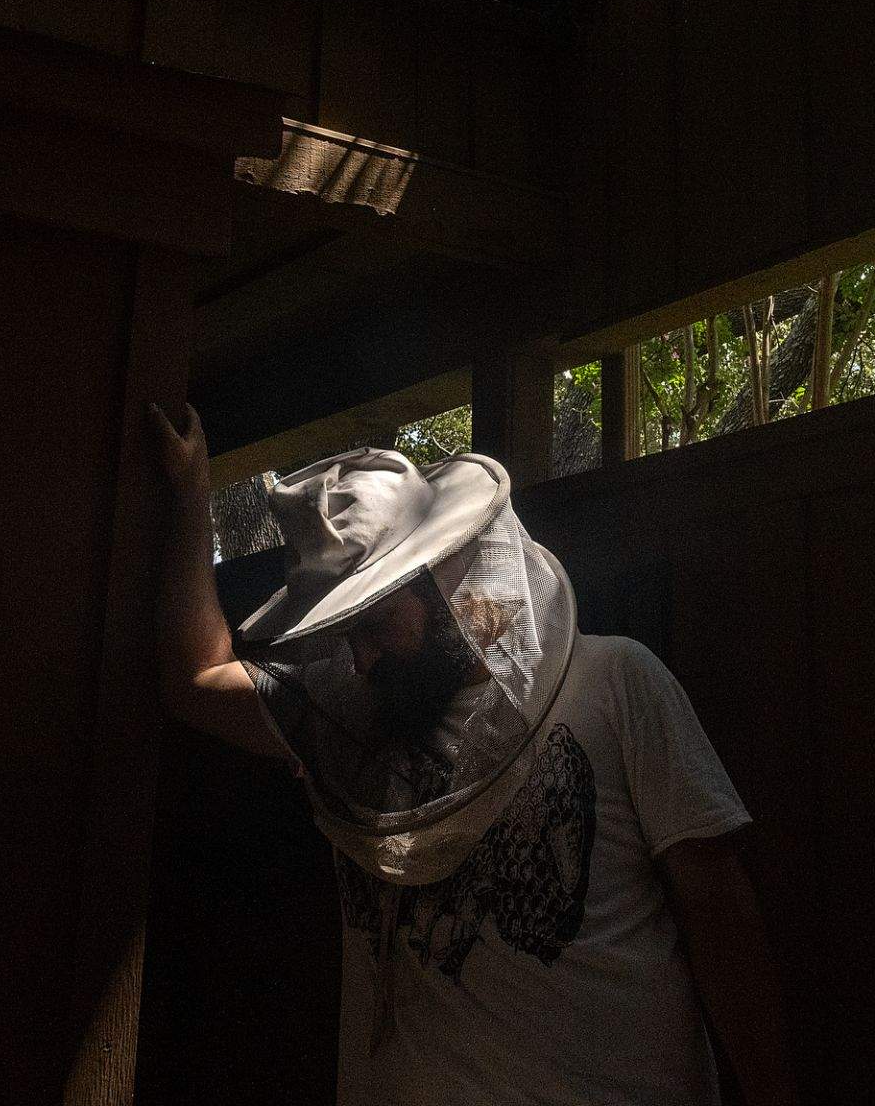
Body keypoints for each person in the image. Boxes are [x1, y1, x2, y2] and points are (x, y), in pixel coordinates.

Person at [152, 405, 802, 1106]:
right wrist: (190, 497)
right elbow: (195, 681)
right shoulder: (348, 723)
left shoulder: (617, 682)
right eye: (346, 632)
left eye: (377, 622)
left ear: (448, 576)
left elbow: (720, 912)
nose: (361, 658)